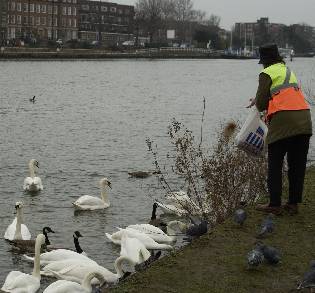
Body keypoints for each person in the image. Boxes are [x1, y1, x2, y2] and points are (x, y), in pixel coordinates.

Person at [248, 43, 312, 215]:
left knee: (275, 163)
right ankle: (292, 204)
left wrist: (258, 100)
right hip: (304, 119)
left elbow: (262, 104)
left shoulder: (266, 73)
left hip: (283, 120)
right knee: (297, 165)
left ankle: (275, 204)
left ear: (264, 61)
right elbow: (283, 93)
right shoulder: (287, 70)